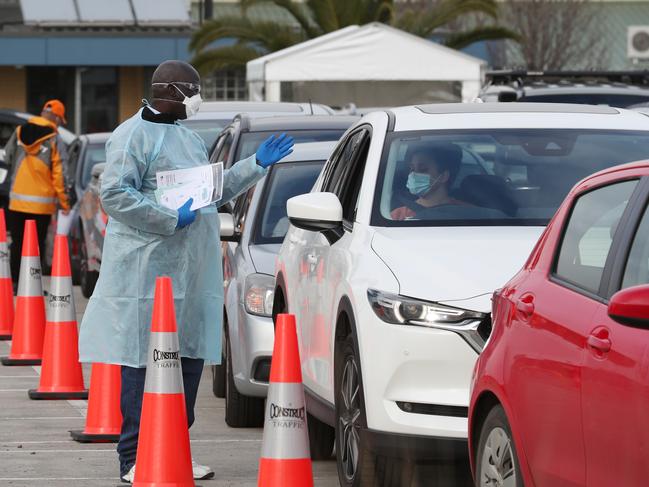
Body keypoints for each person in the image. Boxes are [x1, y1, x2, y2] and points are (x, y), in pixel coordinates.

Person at [78, 60, 293, 484]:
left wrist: (255, 166)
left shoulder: (188, 138)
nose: (198, 99)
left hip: (191, 275)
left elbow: (211, 192)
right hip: (147, 273)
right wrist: (166, 216)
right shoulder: (131, 136)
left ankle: (173, 446)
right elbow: (116, 196)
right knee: (145, 362)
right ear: (173, 91)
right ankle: (134, 457)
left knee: (188, 362)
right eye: (194, 90)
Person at [3, 99, 70, 284]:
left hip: (17, 201)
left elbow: (7, 158)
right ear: (56, 117)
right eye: (59, 120)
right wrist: (65, 203)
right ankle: (31, 285)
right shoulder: (54, 138)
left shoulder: (19, 131)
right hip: (41, 205)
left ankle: (15, 284)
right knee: (36, 245)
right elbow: (60, 174)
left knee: (17, 244)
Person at [390, 143, 465, 220]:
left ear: (443, 176)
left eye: (423, 169)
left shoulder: (467, 213)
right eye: (412, 169)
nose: (414, 174)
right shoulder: (397, 216)